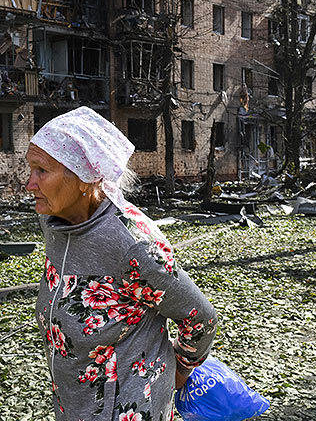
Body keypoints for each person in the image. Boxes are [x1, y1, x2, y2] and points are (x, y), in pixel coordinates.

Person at [26, 107, 217, 420]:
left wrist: (180, 372)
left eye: (41, 171)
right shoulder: (54, 223)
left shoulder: (133, 246)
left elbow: (201, 319)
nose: (29, 184)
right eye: (30, 169)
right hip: (73, 403)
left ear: (84, 178)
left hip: (128, 408)